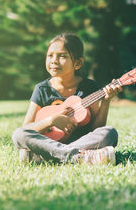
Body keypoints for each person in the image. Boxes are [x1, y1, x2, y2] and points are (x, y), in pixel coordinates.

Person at [12, 33, 122, 165]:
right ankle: (80, 157)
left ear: (77, 63)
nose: (54, 60)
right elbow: (27, 128)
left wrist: (106, 102)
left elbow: (95, 129)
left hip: (81, 142)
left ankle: (44, 157)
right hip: (48, 143)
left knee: (109, 132)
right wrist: (51, 121)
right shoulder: (42, 89)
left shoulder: (89, 87)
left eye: (62, 56)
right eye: (50, 55)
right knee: (18, 134)